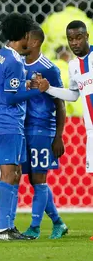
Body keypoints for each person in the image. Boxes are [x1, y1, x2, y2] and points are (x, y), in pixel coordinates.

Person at [0, 13, 46, 241]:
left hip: (8, 122)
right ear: (24, 35)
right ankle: (4, 229)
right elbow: (10, 97)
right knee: (8, 174)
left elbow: (6, 87)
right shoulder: (14, 61)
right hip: (8, 122)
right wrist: (37, 90)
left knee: (16, 173)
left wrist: (26, 83)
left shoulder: (2, 55)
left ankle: (9, 226)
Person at [39, 21, 93, 240]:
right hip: (90, 129)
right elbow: (73, 95)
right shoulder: (72, 66)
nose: (74, 42)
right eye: (71, 39)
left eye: (78, 37)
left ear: (87, 36)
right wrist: (49, 89)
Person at [20, 26, 68, 239]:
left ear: (35, 43)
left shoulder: (49, 69)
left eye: (25, 38)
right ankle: (58, 223)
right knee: (33, 179)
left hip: (42, 129)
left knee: (39, 179)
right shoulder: (18, 64)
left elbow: (61, 103)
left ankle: (35, 227)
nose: (21, 40)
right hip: (24, 129)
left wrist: (58, 136)